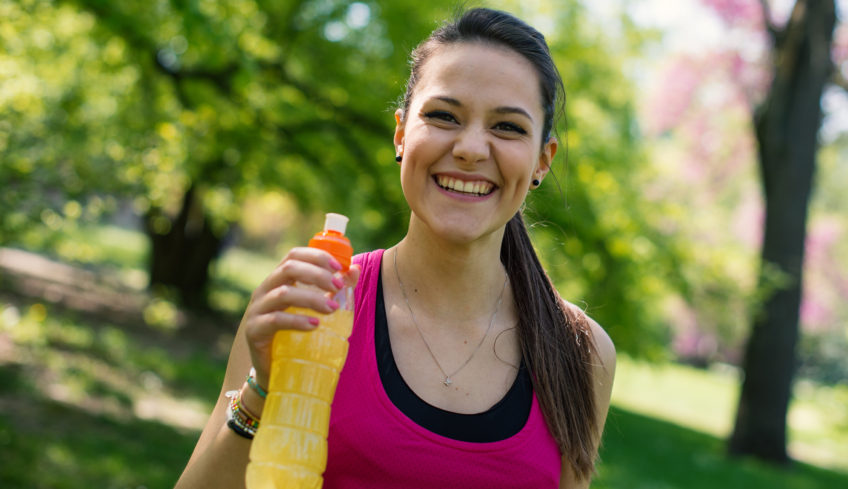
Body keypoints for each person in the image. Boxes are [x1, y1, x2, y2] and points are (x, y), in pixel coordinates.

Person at [175, 7, 616, 489]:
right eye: (444, 116)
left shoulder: (582, 351)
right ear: (402, 133)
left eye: (507, 127)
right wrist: (261, 389)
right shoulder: (312, 304)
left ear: (542, 162)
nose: (470, 148)